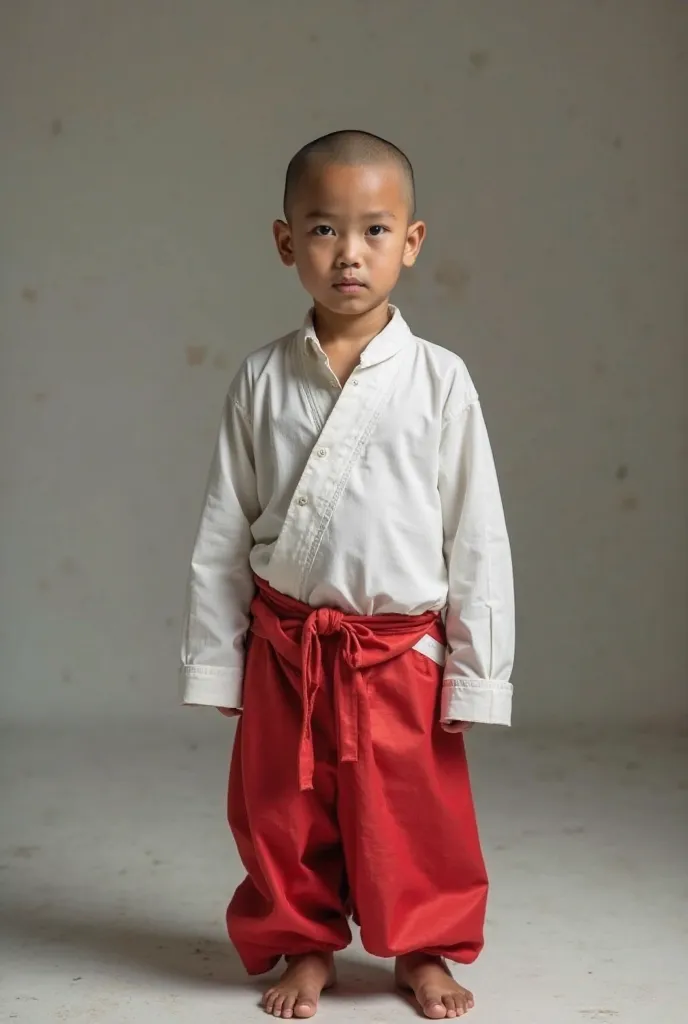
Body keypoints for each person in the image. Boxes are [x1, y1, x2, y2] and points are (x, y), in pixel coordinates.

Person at [180, 130, 515, 1020]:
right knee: (284, 815)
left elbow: (476, 534)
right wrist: (220, 657)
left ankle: (425, 948)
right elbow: (223, 527)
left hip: (400, 650)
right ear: (287, 241)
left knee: (417, 816)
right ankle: (304, 944)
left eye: (375, 230)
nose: (350, 254)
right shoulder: (259, 379)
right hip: (288, 642)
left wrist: (478, 675)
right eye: (325, 230)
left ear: (411, 242)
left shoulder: (440, 381)